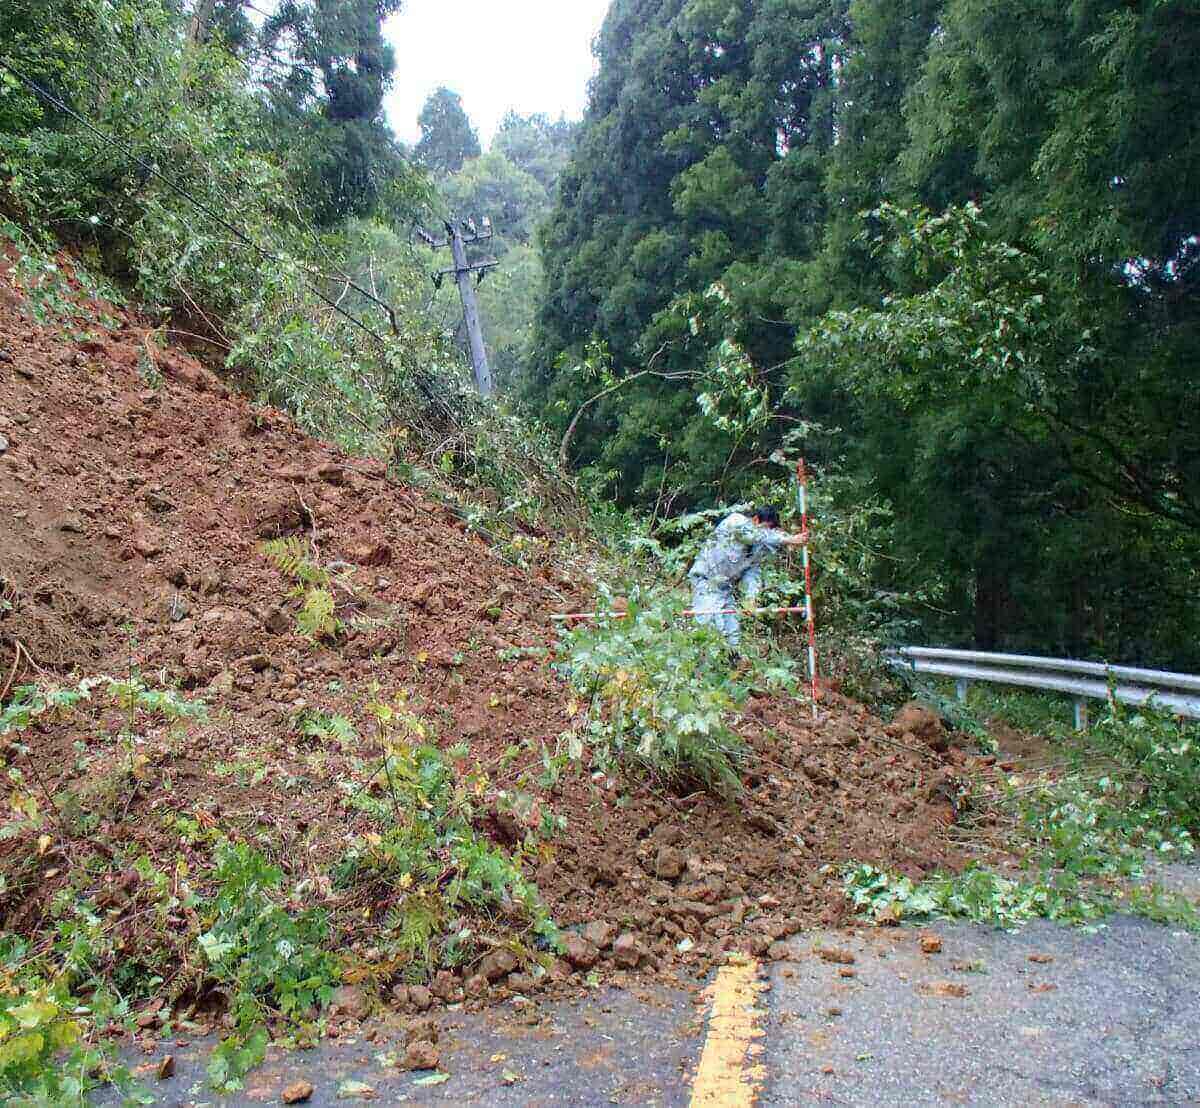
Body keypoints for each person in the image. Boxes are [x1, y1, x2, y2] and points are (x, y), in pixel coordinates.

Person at [688, 505, 806, 649]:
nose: (767, 534)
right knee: (712, 630)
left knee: (733, 635)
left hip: (725, 589)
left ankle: (734, 667)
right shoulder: (736, 522)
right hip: (705, 583)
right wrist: (787, 539)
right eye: (766, 528)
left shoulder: (756, 550)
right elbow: (754, 535)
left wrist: (751, 597)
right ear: (756, 520)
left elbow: (752, 574)